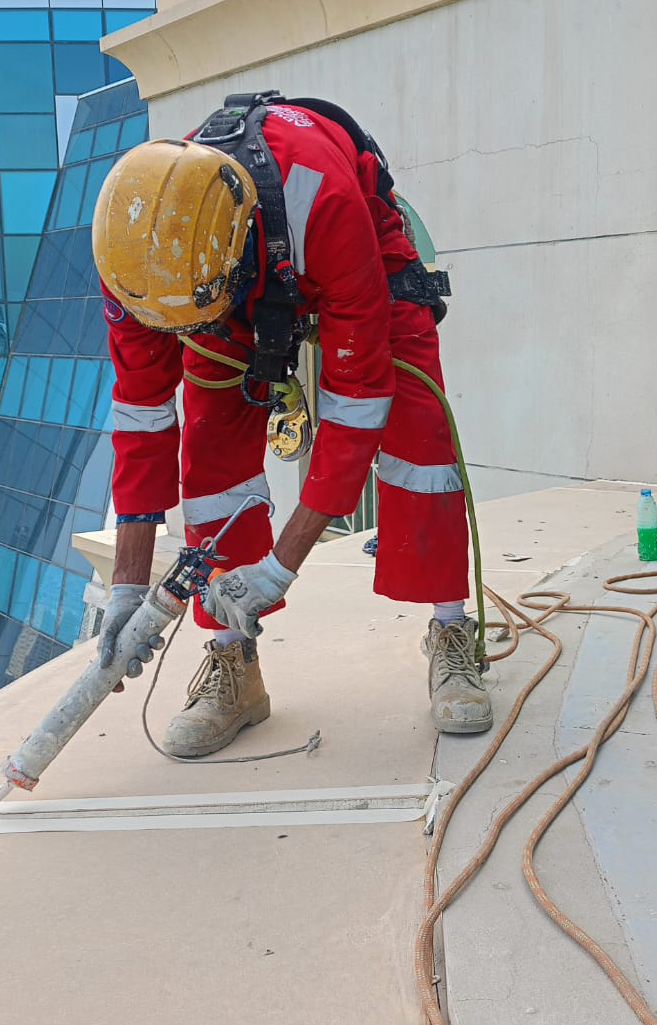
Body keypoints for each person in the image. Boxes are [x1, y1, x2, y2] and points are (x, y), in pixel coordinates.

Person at [89, 93, 492, 758]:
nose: (181, 339)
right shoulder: (137, 255)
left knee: (421, 440)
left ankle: (451, 631)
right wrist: (127, 587)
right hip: (220, 288)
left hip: (353, 253)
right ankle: (232, 664)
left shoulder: (324, 206)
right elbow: (142, 415)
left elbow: (357, 402)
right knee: (213, 448)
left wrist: (280, 567)